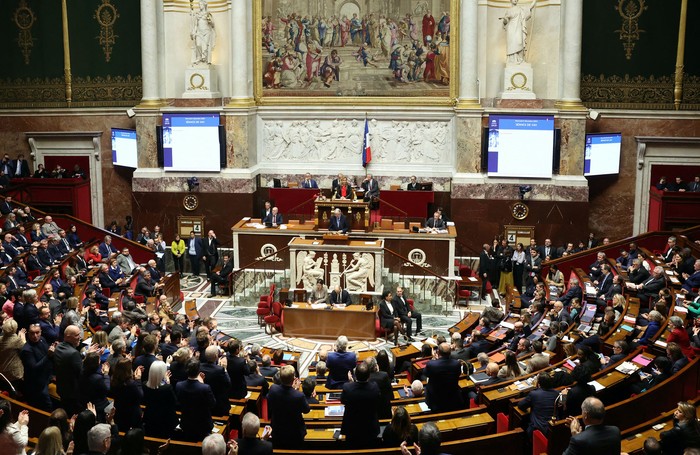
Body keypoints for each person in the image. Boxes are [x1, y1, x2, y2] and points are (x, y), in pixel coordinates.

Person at [267, 365, 310, 448]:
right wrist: (295, 390)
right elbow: (306, 410)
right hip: (294, 431)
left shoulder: (273, 389)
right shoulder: (299, 395)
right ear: (293, 379)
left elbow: (269, 400)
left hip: (277, 428)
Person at [340, 361, 381, 448]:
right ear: (369, 376)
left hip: (352, 428)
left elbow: (343, 401)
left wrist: (351, 382)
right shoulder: (374, 387)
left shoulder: (347, 387)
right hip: (370, 427)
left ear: (355, 375)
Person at [175, 358, 216, 442]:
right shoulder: (205, 387)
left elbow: (178, 403)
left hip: (186, 423)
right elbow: (212, 404)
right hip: (203, 425)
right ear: (198, 370)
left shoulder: (179, 385)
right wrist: (202, 384)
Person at [143, 360, 178, 439]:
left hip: (150, 417)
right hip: (166, 420)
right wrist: (168, 383)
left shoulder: (144, 385)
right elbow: (174, 402)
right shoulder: (167, 388)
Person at [518, 371, 559, 436]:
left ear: (539, 383)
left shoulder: (534, 394)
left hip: (538, 428)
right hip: (553, 428)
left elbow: (521, 405)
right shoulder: (557, 393)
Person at [53, 324, 83, 415]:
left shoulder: (58, 347)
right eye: (77, 335)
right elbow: (81, 372)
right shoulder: (74, 353)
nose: (80, 337)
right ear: (68, 336)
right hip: (72, 393)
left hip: (62, 388)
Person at [424, 342, 463, 412]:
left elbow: (425, 373)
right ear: (450, 352)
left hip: (435, 399)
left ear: (438, 352)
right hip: (452, 397)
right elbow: (458, 374)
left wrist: (434, 359)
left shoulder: (431, 364)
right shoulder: (456, 364)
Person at [110, 358, 143, 432]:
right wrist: (138, 380)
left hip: (118, 409)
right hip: (131, 412)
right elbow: (140, 395)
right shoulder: (131, 384)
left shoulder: (113, 379)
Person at [190, 0, 216, 65]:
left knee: (205, 46)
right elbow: (196, 25)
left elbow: (212, 25)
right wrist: (194, 31)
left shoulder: (208, 14)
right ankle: (199, 58)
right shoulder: (197, 14)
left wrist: (210, 21)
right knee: (198, 44)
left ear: (204, 5)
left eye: (201, 5)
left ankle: (205, 59)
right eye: (199, 5)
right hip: (199, 32)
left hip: (206, 32)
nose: (200, 6)